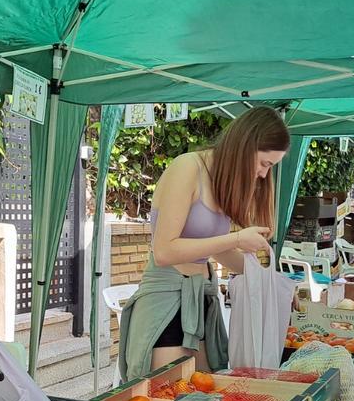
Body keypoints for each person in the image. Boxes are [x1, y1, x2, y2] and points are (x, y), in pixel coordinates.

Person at [118, 106, 286, 380]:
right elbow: (164, 250)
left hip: (203, 300)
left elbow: (215, 250)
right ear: (246, 146)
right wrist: (236, 238)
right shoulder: (188, 167)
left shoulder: (221, 183)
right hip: (167, 301)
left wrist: (267, 275)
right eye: (264, 163)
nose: (264, 175)